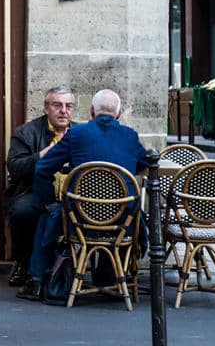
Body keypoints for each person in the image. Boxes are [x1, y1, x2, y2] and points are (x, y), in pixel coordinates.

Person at [17, 88, 148, 301]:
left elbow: (42, 168)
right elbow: (145, 163)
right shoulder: (130, 136)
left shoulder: (77, 134)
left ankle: (37, 283)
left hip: (79, 220)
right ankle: (111, 275)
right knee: (135, 213)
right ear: (119, 113)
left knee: (47, 216)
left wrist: (49, 203)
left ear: (91, 111)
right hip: (121, 221)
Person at [4, 86, 77, 287]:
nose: (64, 111)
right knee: (22, 211)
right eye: (57, 105)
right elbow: (15, 167)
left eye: (69, 106)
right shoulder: (26, 132)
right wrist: (45, 154)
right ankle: (23, 263)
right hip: (34, 190)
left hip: (73, 195)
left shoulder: (80, 133)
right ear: (46, 108)